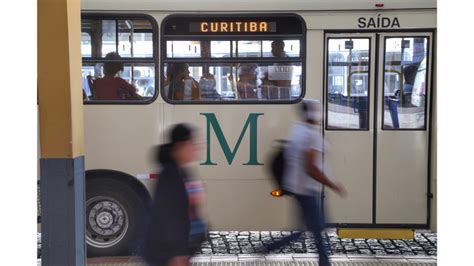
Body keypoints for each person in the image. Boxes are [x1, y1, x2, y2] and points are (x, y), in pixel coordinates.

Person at [262, 99, 346, 266]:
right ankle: (324, 262)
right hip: (308, 190)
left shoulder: (298, 130)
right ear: (313, 114)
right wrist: (332, 185)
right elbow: (311, 168)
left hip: (298, 188)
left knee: (308, 229)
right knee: (316, 230)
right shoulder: (312, 136)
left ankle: (269, 248)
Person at [142, 124, 206, 266]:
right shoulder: (169, 176)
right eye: (191, 144)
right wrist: (177, 254)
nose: (195, 148)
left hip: (177, 251)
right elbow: (169, 217)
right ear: (179, 146)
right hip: (167, 255)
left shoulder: (182, 172)